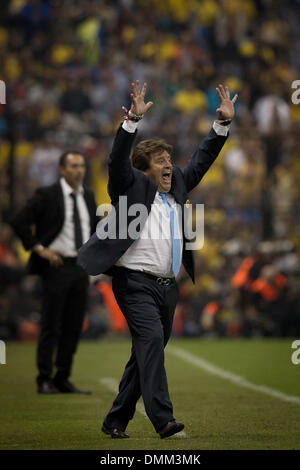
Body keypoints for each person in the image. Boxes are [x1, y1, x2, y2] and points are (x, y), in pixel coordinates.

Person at [78, 80, 237, 438]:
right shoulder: (129, 186)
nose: (169, 166)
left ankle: (115, 420)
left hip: (167, 288)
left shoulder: (177, 185)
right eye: (161, 162)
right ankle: (163, 420)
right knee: (150, 343)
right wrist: (131, 121)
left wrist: (222, 125)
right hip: (134, 283)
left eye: (169, 161)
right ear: (144, 169)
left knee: (142, 357)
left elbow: (201, 159)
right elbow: (117, 161)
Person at [11, 151, 98, 394]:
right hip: (56, 267)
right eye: (73, 166)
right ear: (62, 170)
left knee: (73, 326)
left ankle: (62, 377)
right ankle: (44, 378)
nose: (79, 170)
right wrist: (39, 249)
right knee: (51, 325)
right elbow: (19, 221)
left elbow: (90, 231)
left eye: (81, 166)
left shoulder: (88, 196)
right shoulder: (47, 194)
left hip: (80, 268)